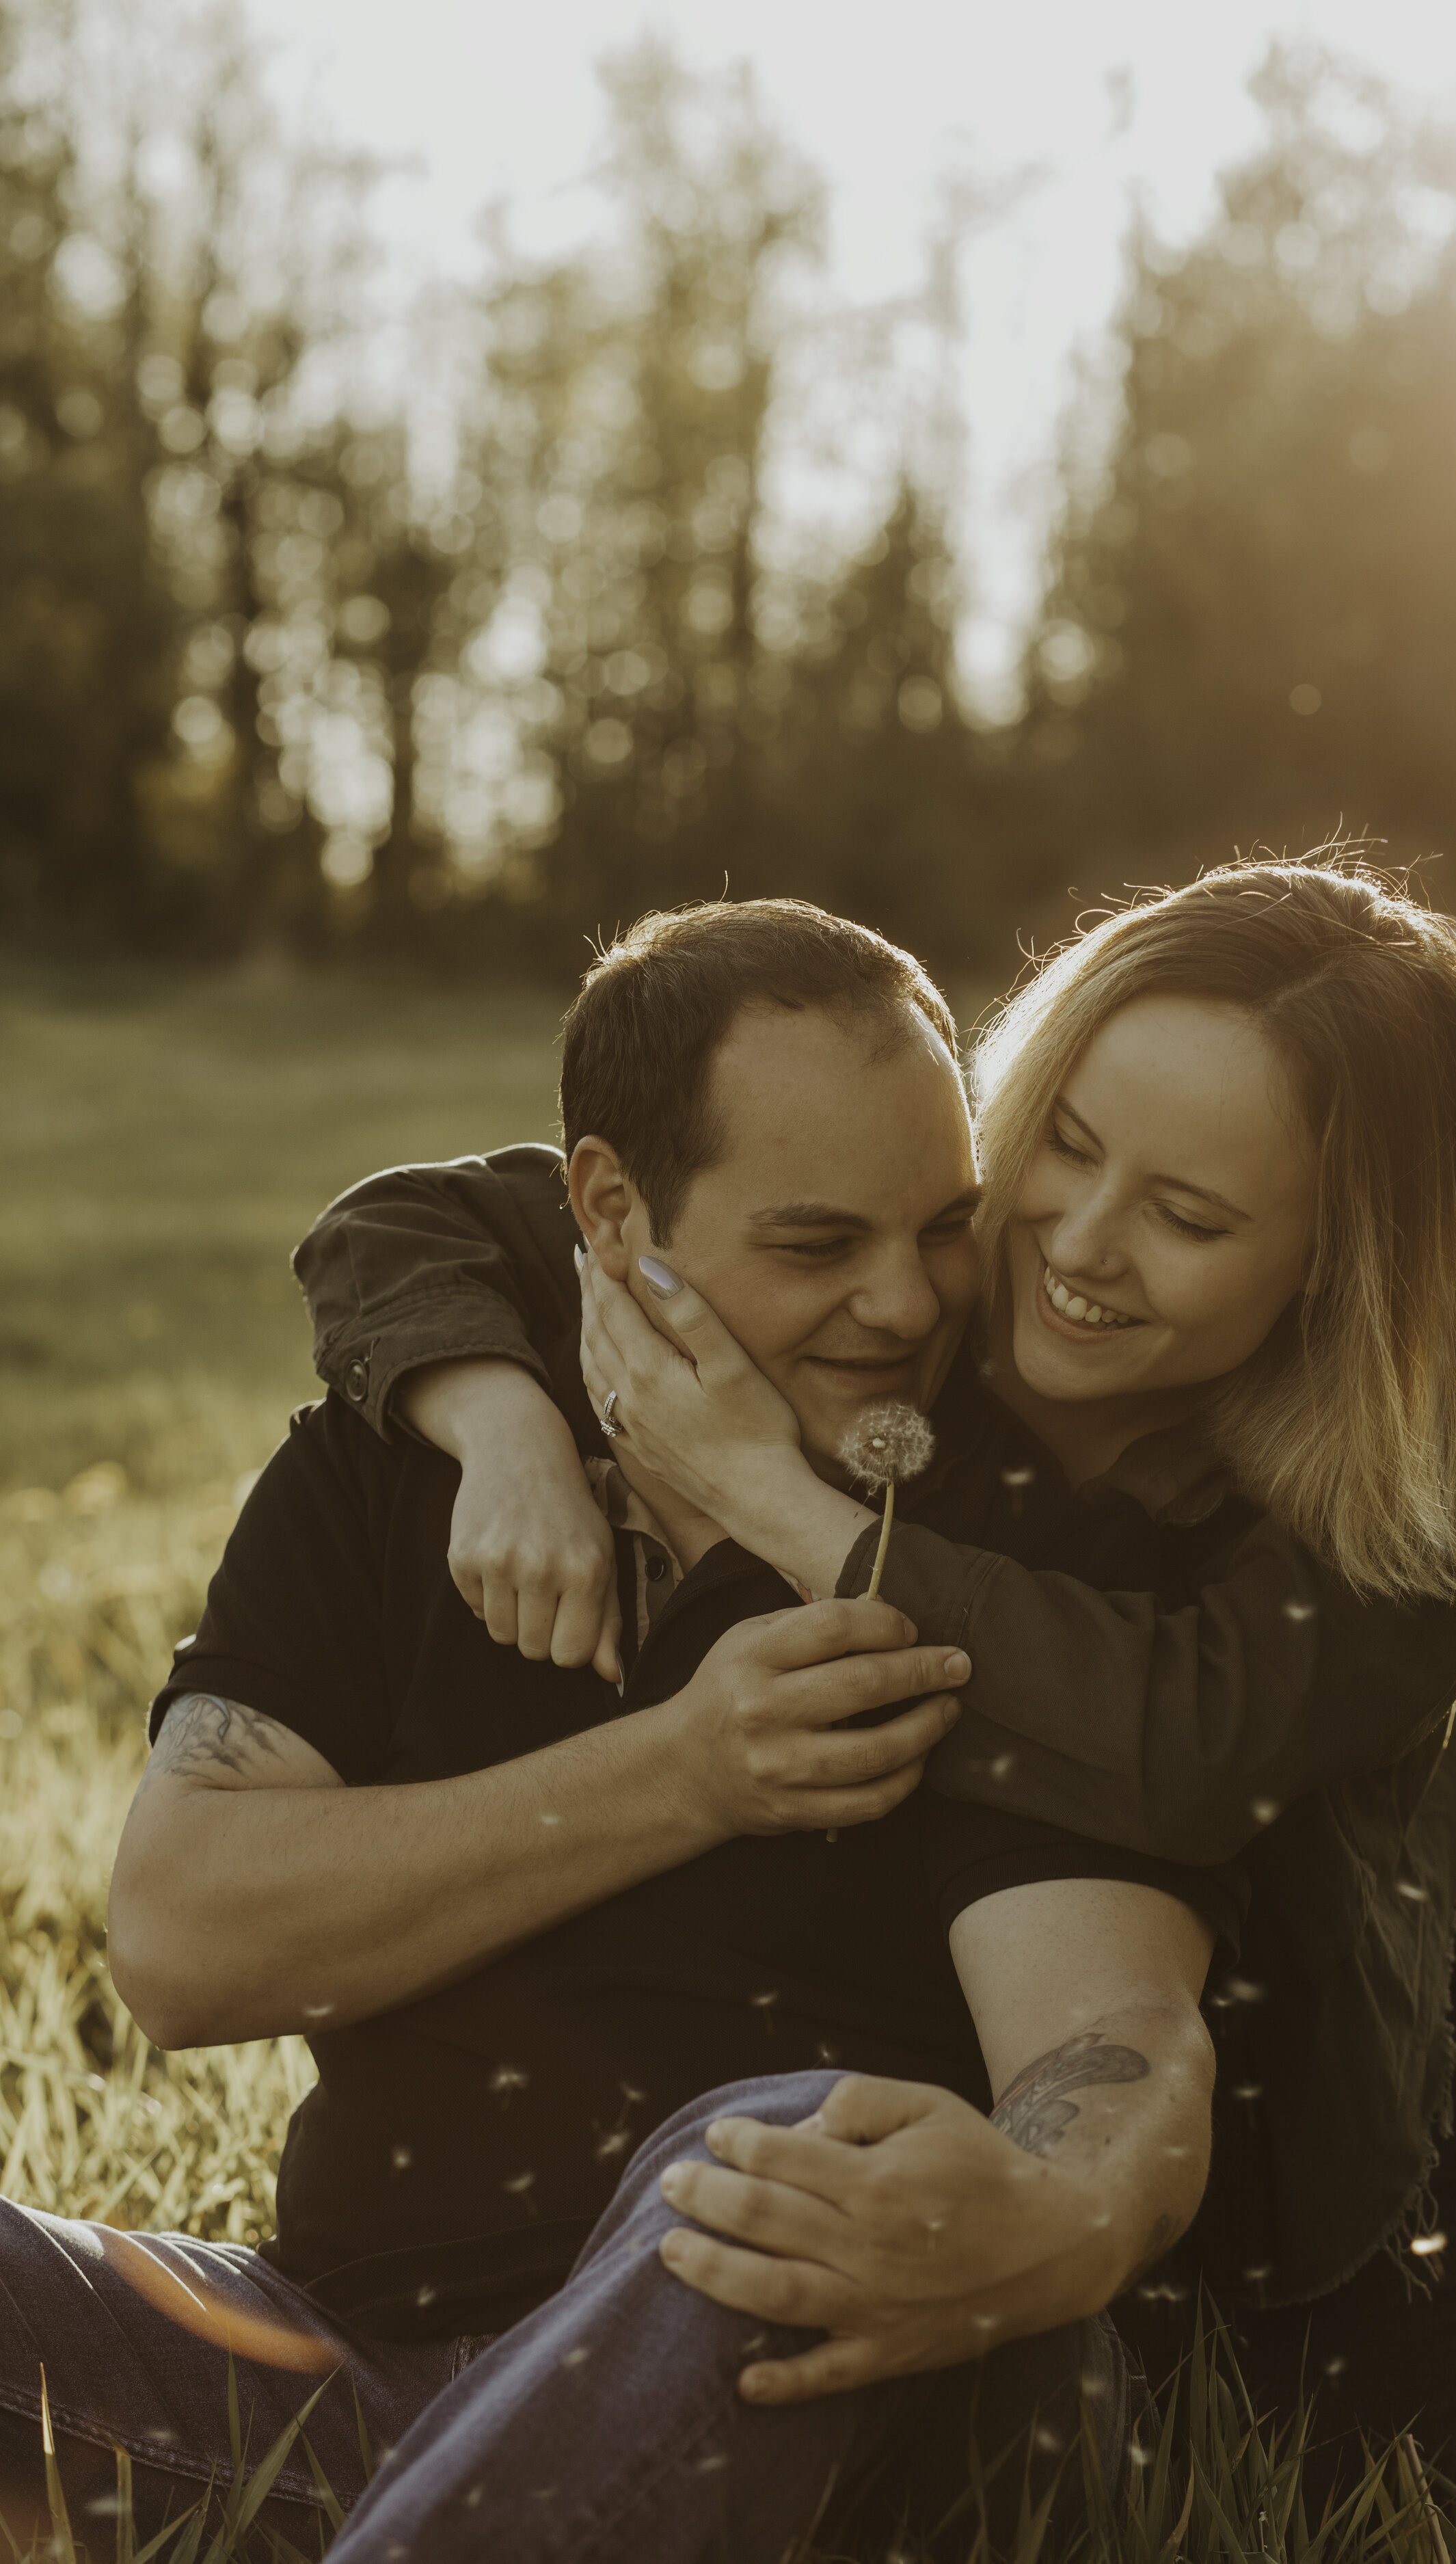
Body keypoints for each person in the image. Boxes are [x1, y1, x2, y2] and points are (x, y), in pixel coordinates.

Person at [291, 868, 1456, 2513]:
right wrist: (499, 1420)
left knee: (1320, 2494)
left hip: (1342, 1988)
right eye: (1064, 1148)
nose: (1080, 1251)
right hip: (1051, 1978)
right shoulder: (939, 1272)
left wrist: (780, 1506)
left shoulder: (1453, 1471)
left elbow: (1179, 1746)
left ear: (1341, 1263)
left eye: (1187, 1218)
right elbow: (421, 1222)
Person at [0, 908, 1237, 2564]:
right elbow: (180, 1939)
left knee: (792, 2156)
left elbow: (1112, 2035)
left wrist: (1054, 2216)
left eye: (939, 1228)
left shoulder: (1012, 1558)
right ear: (608, 1208)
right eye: (815, 1246)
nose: (903, 1302)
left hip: (780, 2403)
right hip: (326, 2373)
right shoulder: (401, 1458)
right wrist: (681, 1774)